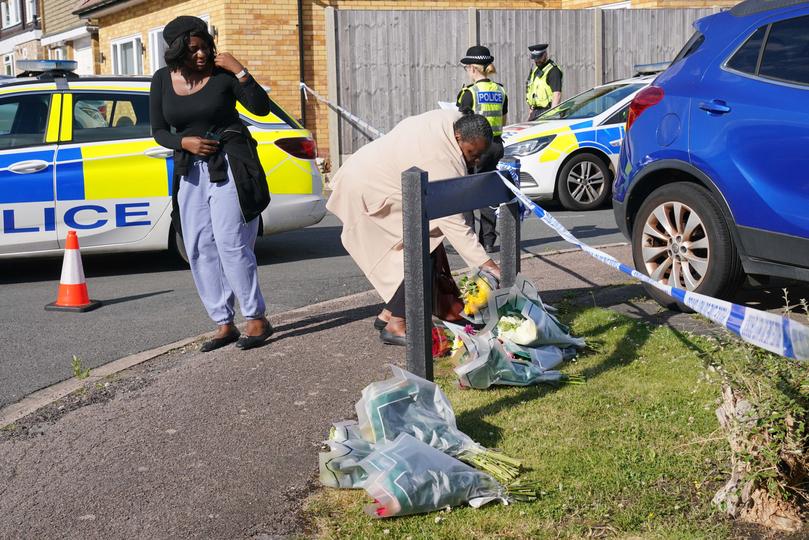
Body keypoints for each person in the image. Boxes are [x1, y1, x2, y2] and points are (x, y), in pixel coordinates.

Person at [150, 16, 274, 352]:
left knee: (230, 241)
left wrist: (240, 70)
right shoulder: (162, 80)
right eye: (193, 49)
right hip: (190, 169)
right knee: (199, 245)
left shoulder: (223, 76)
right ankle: (223, 322)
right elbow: (159, 130)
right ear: (176, 51)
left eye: (205, 46)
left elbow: (261, 108)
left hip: (230, 163)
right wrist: (183, 143)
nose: (202, 54)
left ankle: (255, 317)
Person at [326, 110, 502, 346]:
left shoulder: (452, 121)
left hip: (372, 177)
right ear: (459, 137)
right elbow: (453, 222)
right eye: (471, 154)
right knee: (421, 251)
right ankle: (396, 325)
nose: (475, 161)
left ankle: (389, 313)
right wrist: (487, 265)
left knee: (425, 246)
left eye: (480, 155)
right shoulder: (441, 159)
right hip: (368, 192)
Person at [455, 45, 507, 254]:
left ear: (473, 69)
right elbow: (504, 120)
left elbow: (460, 124)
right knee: (487, 194)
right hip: (495, 146)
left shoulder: (469, 93)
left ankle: (471, 241)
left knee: (468, 193)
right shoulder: (500, 90)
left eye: (467, 68)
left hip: (475, 149)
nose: (467, 71)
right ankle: (488, 240)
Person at [525, 43, 563, 121]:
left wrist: (552, 115)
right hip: (535, 112)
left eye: (539, 57)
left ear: (545, 54)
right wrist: (530, 114)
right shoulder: (536, 70)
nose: (537, 60)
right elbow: (533, 93)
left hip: (547, 111)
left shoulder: (553, 70)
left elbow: (557, 94)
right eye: (534, 58)